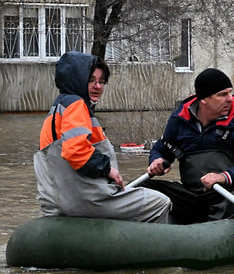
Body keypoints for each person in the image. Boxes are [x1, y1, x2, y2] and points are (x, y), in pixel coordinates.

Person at [34, 51, 172, 222]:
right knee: (160, 202)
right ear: (77, 80)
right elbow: (75, 150)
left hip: (54, 203)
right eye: (91, 80)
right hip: (83, 200)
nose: (98, 87)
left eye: (101, 81)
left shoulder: (56, 110)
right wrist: (108, 170)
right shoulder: (76, 105)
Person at [144, 68, 234, 224]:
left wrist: (223, 177)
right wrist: (156, 160)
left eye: (230, 92)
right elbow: (161, 149)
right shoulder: (179, 122)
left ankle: (210, 240)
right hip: (193, 195)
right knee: (144, 187)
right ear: (204, 99)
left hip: (230, 192)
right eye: (222, 95)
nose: (230, 99)